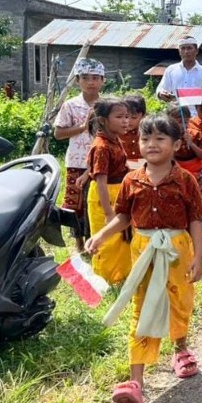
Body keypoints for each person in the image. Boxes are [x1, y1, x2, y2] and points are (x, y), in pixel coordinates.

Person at [85, 113, 202, 403]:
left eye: (159, 139)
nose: (151, 144)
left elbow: (196, 218)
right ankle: (135, 380)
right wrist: (101, 235)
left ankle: (180, 348)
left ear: (177, 144)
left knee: (179, 299)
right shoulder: (131, 180)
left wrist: (199, 256)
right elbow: (124, 216)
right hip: (142, 249)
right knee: (141, 307)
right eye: (145, 138)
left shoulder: (185, 180)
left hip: (177, 250)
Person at [54, 58, 105, 251]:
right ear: (78, 81)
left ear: (102, 80)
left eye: (95, 78)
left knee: (98, 202)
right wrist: (83, 127)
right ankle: (79, 244)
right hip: (77, 160)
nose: (90, 82)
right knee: (76, 204)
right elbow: (58, 133)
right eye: (85, 78)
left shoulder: (107, 106)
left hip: (101, 161)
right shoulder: (71, 105)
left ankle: (96, 241)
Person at [86, 97, 133, 285]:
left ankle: (120, 276)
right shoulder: (101, 146)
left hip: (118, 192)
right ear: (104, 120)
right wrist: (108, 212)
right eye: (120, 117)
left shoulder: (115, 140)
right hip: (104, 196)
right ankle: (105, 279)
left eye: (127, 116)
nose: (126, 121)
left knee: (121, 238)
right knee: (106, 240)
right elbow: (100, 180)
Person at [157, 36, 202, 116]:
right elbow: (161, 88)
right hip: (175, 116)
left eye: (189, 48)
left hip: (197, 117)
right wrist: (161, 93)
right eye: (183, 48)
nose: (186, 52)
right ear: (179, 51)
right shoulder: (171, 70)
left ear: (197, 51)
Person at [120, 94, 147, 170]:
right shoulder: (116, 133)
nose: (129, 121)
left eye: (134, 117)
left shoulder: (148, 132)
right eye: (126, 116)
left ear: (143, 116)